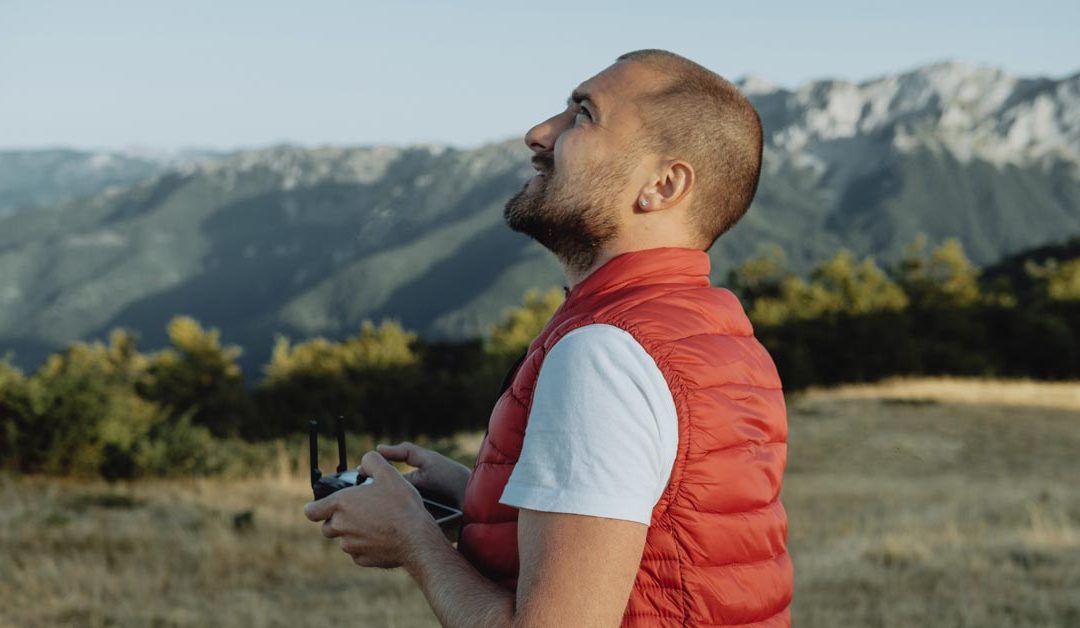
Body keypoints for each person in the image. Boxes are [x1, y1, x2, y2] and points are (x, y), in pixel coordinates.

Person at [304, 48, 792, 627]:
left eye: (583, 115)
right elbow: (660, 529)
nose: (538, 134)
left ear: (662, 185)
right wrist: (479, 499)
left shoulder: (606, 352)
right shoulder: (712, 333)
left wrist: (415, 540)